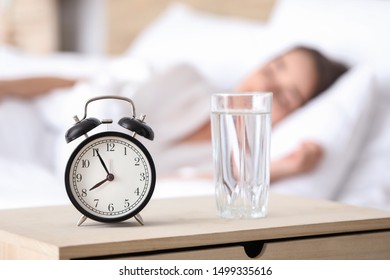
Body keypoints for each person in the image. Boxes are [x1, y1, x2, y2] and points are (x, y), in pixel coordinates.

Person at [0, 46, 348, 183]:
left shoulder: (226, 161)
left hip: (54, 172)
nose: (263, 89)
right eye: (271, 70)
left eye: (285, 97)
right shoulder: (186, 79)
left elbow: (183, 187)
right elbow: (84, 85)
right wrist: (6, 88)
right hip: (36, 120)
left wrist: (285, 167)